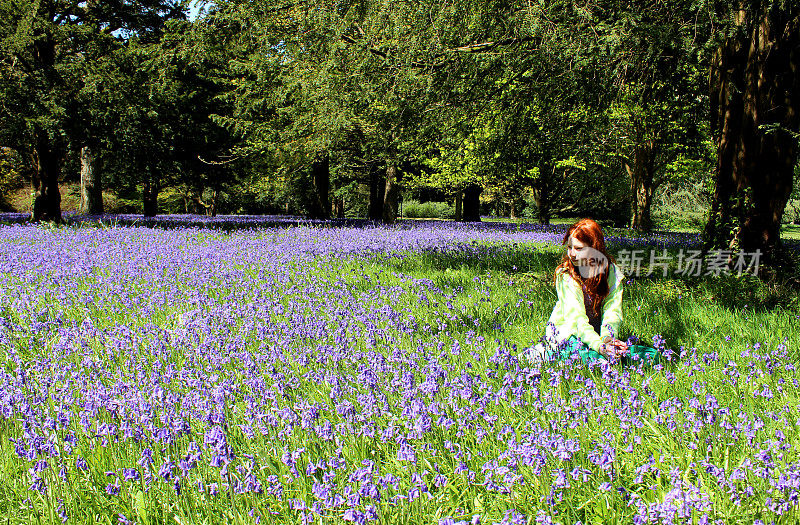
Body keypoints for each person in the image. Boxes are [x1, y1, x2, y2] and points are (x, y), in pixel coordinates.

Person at [528, 218, 658, 364]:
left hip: (596, 335)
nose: (572, 254)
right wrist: (599, 346)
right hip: (568, 334)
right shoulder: (565, 275)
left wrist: (609, 339)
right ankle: (544, 353)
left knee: (652, 355)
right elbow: (576, 319)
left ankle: (606, 356)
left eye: (578, 249)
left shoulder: (610, 272)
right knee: (598, 361)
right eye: (570, 247)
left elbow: (613, 311)